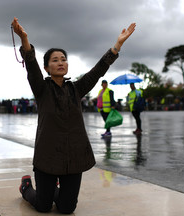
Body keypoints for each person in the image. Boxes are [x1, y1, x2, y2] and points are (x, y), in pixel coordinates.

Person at [11, 17, 136, 214]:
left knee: (67, 209)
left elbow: (97, 71)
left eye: (63, 59)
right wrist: (24, 39)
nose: (60, 62)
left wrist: (117, 46)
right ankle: (26, 187)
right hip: (48, 156)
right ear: (47, 68)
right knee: (43, 207)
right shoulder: (41, 88)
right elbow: (31, 64)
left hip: (74, 155)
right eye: (55, 60)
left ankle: (54, 190)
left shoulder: (76, 89)